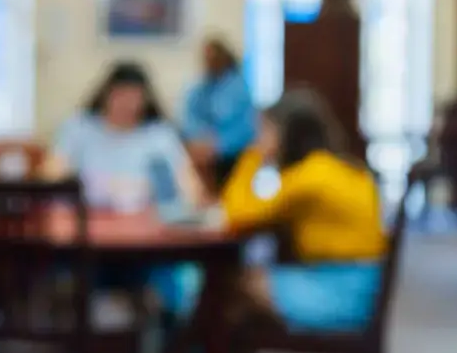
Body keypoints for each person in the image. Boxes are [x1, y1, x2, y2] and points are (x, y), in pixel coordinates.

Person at [205, 88, 386, 336]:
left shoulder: (310, 177)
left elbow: (236, 214)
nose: (259, 138)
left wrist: (252, 157)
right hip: (364, 285)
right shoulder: (339, 167)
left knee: (231, 282)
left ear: (286, 134)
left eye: (265, 131)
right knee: (240, 285)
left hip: (342, 292)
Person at [45, 61, 205, 212]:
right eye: (120, 95)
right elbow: (50, 176)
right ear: (105, 94)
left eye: (134, 97)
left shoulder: (160, 135)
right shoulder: (79, 128)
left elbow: (192, 190)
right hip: (88, 223)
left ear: (146, 100)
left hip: (146, 226)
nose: (126, 103)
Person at [183, 37, 257, 190]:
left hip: (231, 158)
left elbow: (246, 129)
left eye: (213, 56)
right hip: (203, 154)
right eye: (206, 57)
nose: (209, 61)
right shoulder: (201, 87)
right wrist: (198, 140)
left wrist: (217, 146)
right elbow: (189, 117)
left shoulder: (239, 89)